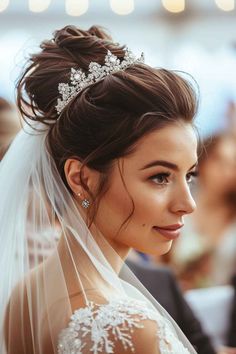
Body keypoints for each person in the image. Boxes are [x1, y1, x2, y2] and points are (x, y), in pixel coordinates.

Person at [0, 25, 200, 353]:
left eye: (188, 175)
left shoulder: (25, 296)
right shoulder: (130, 329)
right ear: (81, 178)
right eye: (160, 177)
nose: (187, 204)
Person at [172, 134, 236, 290]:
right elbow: (158, 264)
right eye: (220, 162)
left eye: (234, 166)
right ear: (204, 161)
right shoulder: (179, 204)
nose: (226, 173)